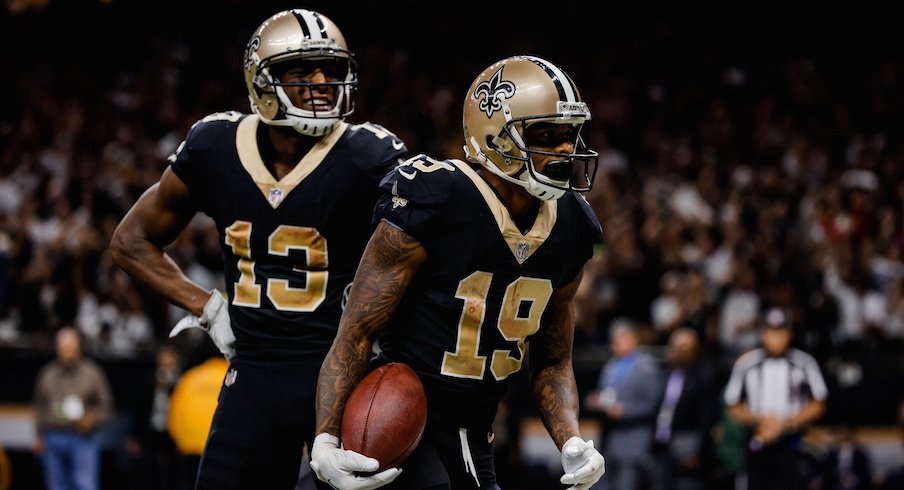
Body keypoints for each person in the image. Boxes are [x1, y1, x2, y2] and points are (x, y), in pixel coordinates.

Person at [109, 8, 407, 489]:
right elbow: (130, 242)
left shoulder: (368, 155)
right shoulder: (215, 146)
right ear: (262, 80)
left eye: (331, 69)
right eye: (301, 69)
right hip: (254, 372)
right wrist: (207, 307)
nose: (321, 81)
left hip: (340, 372)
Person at [311, 55, 606, 490]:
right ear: (495, 136)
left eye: (569, 135)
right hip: (403, 414)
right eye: (545, 133)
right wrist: (325, 437)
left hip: (476, 427)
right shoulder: (435, 196)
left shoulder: (574, 226)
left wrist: (571, 438)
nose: (564, 149)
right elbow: (355, 330)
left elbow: (552, 359)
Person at [724, 306, 828, 490]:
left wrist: (785, 423)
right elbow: (732, 405)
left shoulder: (804, 363)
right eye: (771, 332)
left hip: (793, 441)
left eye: (781, 333)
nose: (776, 339)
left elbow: (818, 403)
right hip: (758, 438)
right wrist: (762, 421)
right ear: (763, 334)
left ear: (790, 334)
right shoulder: (747, 363)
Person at [32, 326, 114, 490]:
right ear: (57, 348)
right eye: (64, 348)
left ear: (78, 347)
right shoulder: (47, 373)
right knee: (56, 486)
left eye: (71, 347)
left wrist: (91, 419)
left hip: (82, 438)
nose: (68, 351)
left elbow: (106, 407)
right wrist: (39, 435)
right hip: (53, 437)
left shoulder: (92, 373)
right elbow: (39, 406)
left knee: (84, 485)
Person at [584, 319, 662, 490]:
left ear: (632, 339)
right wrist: (597, 401)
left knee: (626, 485)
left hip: (634, 438)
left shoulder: (646, 367)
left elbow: (653, 403)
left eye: (618, 339)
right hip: (609, 438)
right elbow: (606, 394)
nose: (614, 343)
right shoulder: (611, 365)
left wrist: (625, 411)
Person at [649, 327, 718, 490]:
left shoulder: (704, 376)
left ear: (695, 349)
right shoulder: (667, 373)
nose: (678, 352)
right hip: (662, 444)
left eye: (684, 348)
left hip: (688, 444)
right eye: (675, 347)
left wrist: (700, 453)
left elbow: (707, 418)